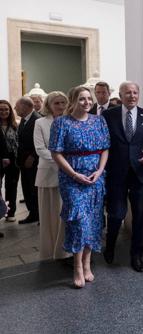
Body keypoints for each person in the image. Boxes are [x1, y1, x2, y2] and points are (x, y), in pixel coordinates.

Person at [49, 86, 110, 288]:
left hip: (95, 178)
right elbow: (56, 153)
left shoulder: (99, 121)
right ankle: (76, 266)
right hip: (72, 178)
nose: (86, 102)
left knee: (93, 220)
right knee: (77, 221)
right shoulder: (61, 123)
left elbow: (105, 149)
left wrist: (100, 171)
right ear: (73, 101)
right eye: (82, 99)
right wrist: (74, 174)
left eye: (89, 99)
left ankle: (87, 263)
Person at [102, 81, 143, 272]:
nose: (132, 96)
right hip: (115, 174)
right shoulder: (108, 115)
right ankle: (109, 247)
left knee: (139, 216)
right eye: (128, 93)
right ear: (120, 95)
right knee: (116, 214)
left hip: (140, 175)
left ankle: (137, 255)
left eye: (135, 92)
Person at [34, 91, 68, 260]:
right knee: (49, 216)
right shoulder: (40, 122)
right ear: (48, 105)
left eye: (63, 103)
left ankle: (65, 251)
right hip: (48, 174)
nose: (61, 107)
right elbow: (40, 149)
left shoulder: (71, 121)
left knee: (65, 214)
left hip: (69, 174)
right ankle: (50, 252)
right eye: (57, 103)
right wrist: (61, 161)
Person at [15, 97, 42, 224]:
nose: (15, 109)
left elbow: (40, 141)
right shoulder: (24, 119)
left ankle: (36, 213)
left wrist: (32, 156)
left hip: (33, 161)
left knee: (33, 189)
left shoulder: (36, 120)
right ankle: (33, 212)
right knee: (27, 188)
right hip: (24, 160)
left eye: (17, 106)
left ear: (25, 107)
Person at [0, 100, 20, 221]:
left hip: (13, 159)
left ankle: (10, 212)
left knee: (11, 186)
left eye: (6, 109)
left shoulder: (15, 125)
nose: (4, 112)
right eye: (1, 109)